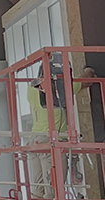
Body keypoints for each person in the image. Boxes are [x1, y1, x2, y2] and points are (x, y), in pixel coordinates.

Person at [27, 65, 96, 199]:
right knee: (53, 189)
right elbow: (85, 81)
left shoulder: (31, 88)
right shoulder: (59, 88)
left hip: (35, 140)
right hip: (49, 140)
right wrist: (88, 72)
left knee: (38, 190)